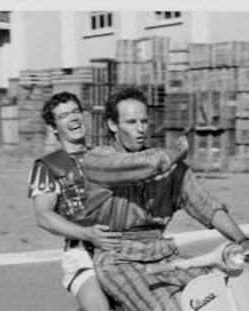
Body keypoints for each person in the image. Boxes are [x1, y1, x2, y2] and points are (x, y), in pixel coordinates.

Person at [82, 87, 249, 311]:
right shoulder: (98, 160)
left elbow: (206, 205)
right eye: (131, 122)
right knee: (173, 307)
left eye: (144, 121)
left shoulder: (171, 168)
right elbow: (144, 165)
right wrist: (175, 152)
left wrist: (242, 240)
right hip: (119, 259)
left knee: (223, 290)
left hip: (161, 253)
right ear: (112, 125)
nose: (140, 129)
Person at [27, 91, 189, 311]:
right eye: (64, 115)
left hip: (124, 248)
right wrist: (88, 234)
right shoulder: (48, 165)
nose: (74, 118)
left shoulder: (107, 155)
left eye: (76, 111)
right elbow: (43, 216)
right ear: (54, 127)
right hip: (82, 252)